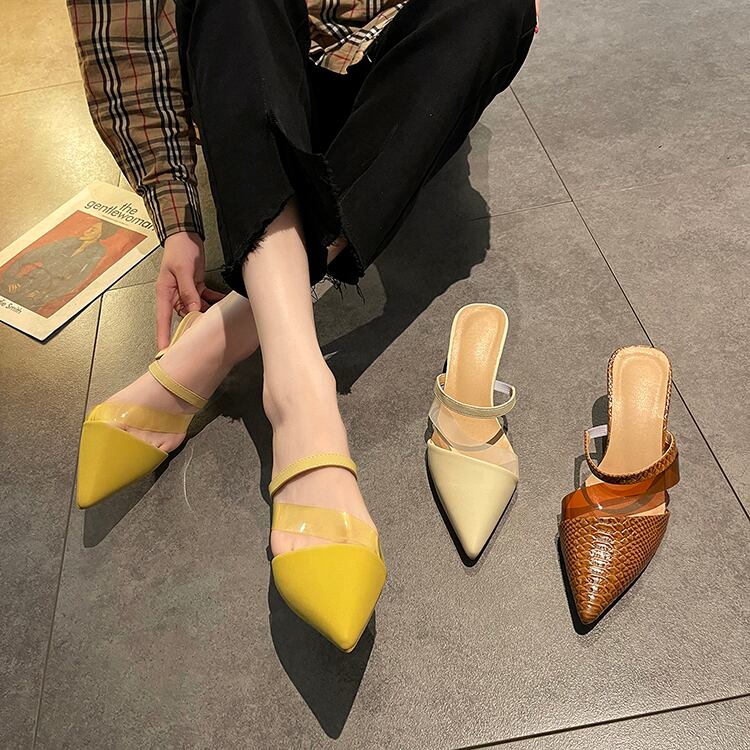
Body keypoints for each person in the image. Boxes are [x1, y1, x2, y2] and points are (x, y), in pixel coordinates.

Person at [68, 0, 539, 650]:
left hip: (393, 84)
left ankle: (229, 330)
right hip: (257, 81)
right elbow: (121, 36)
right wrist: (176, 218)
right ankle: (300, 395)